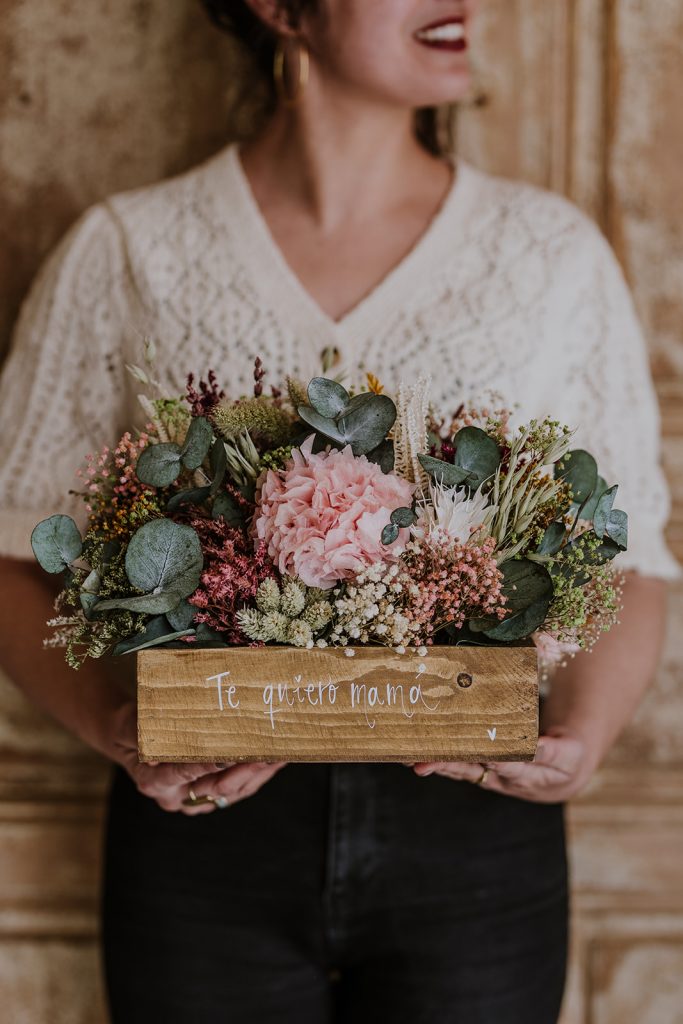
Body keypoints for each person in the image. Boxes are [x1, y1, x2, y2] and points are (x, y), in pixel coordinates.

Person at [0, 1, 679, 1021]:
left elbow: (631, 560)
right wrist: (115, 726)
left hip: (473, 841)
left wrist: (580, 734)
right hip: (203, 844)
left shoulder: (546, 256)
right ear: (282, 8)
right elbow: (12, 550)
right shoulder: (131, 248)